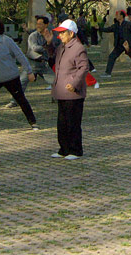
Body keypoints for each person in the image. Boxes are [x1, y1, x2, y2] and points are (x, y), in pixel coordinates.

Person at [51, 20, 87, 159]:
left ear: (71, 33)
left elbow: (83, 67)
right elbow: (52, 60)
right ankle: (64, 149)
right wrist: (49, 43)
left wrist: (75, 83)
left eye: (62, 33)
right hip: (61, 91)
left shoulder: (78, 48)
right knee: (62, 123)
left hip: (73, 93)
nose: (60, 35)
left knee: (73, 123)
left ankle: (75, 150)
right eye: (59, 33)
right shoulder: (62, 47)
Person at [100, 10, 131, 77]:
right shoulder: (116, 25)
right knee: (112, 57)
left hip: (127, 45)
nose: (116, 16)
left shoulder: (128, 24)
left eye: (117, 15)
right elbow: (109, 29)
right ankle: (108, 73)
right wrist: (99, 28)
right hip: (119, 45)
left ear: (121, 16)